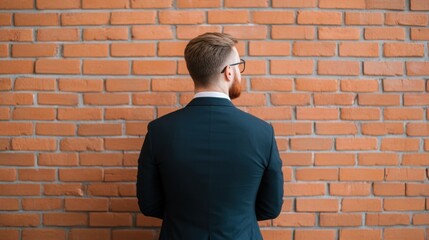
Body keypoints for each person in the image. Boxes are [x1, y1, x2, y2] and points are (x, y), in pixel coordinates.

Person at [136, 32, 284, 240]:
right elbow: (271, 207)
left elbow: (149, 204)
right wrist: (236, 219)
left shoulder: (159, 131)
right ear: (228, 72)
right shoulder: (261, 132)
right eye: (239, 66)